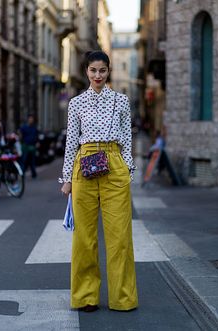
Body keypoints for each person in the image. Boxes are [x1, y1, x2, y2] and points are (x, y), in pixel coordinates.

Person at [61, 51, 138, 312]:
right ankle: (85, 297)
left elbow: (127, 138)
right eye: (93, 70)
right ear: (86, 72)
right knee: (84, 236)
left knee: (120, 237)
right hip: (83, 165)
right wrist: (67, 179)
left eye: (102, 70)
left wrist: (128, 169)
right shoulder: (76, 103)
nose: (97, 75)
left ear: (109, 71)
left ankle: (123, 298)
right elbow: (71, 142)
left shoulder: (122, 100)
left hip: (114, 164)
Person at [19, 114, 38, 178]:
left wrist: (36, 142)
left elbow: (36, 135)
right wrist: (22, 142)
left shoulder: (34, 127)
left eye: (32, 119)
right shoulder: (24, 127)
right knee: (24, 160)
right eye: (30, 119)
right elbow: (20, 135)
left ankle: (34, 173)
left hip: (32, 146)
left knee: (32, 161)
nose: (31, 120)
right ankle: (22, 173)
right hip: (26, 146)